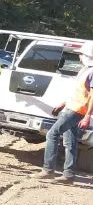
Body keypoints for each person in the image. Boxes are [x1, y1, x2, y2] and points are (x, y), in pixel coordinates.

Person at [37, 41, 93, 184]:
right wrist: (63, 104)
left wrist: (87, 116)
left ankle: (47, 170)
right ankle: (68, 175)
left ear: (86, 56)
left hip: (77, 110)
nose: (79, 56)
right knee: (70, 141)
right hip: (72, 107)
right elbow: (78, 91)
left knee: (52, 134)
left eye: (81, 54)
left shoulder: (91, 71)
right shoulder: (85, 70)